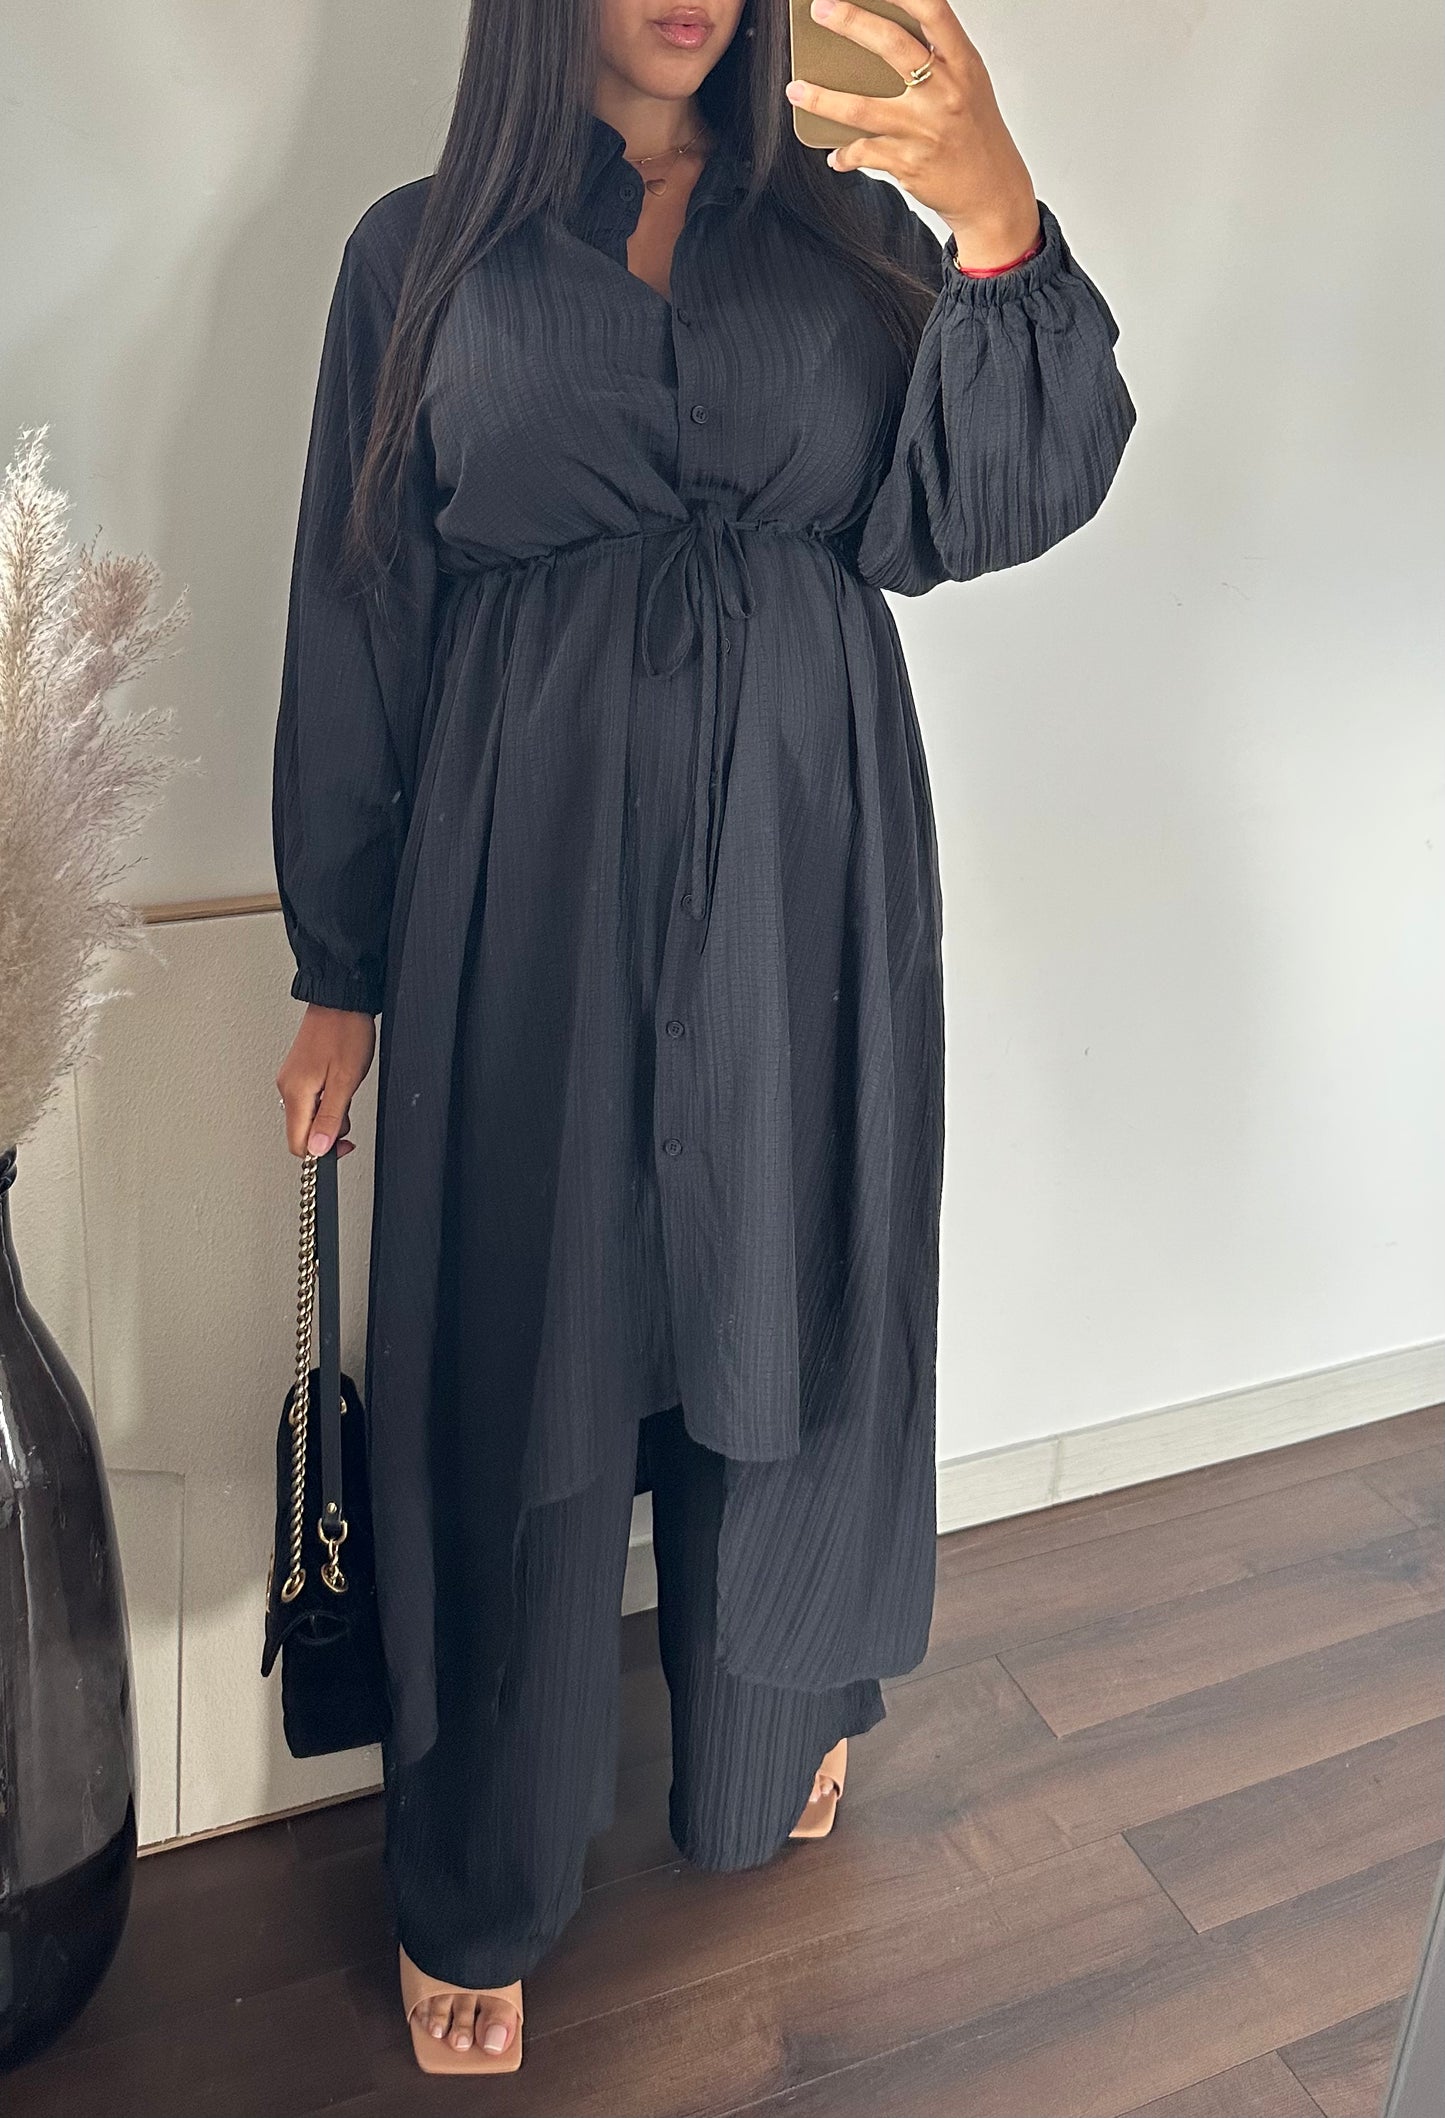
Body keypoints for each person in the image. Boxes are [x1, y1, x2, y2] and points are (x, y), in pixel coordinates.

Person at [271, 0, 1134, 2077]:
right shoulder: (418, 254)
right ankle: (480, 1864)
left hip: (802, 866)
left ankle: (782, 1697)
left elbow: (997, 496)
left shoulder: (847, 233)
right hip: (523, 875)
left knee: (791, 1276)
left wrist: (998, 216)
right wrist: (339, 962)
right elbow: (361, 599)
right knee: (524, 1330)